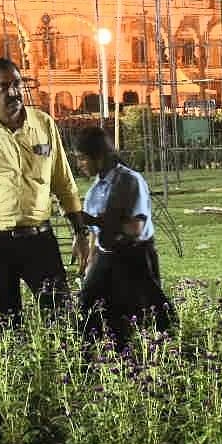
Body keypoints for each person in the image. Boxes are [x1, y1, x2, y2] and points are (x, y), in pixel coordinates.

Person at [0, 57, 86, 320]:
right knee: (6, 324)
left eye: (17, 84)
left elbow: (64, 183)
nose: (13, 92)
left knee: (63, 318)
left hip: (39, 240)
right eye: (3, 87)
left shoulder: (44, 125)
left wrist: (80, 233)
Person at [70, 125, 174, 348]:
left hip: (134, 258)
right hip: (106, 258)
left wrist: (94, 221)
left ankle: (149, 361)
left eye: (82, 158)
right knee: (87, 309)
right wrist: (89, 266)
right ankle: (88, 362)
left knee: (138, 317)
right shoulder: (95, 190)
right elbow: (96, 239)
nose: (79, 165)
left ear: (98, 156)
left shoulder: (129, 181)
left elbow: (135, 228)